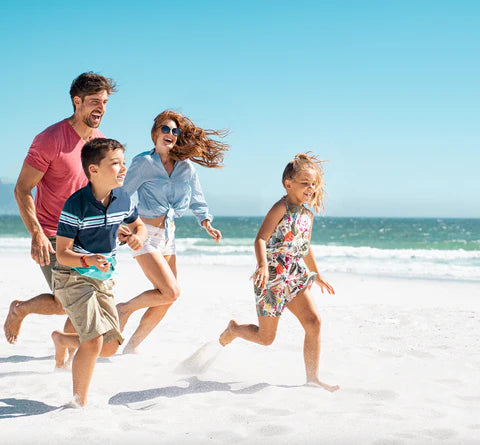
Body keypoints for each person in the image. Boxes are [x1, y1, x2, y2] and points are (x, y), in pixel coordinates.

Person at [4, 72, 116, 344]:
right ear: (77, 102)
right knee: (70, 301)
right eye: (93, 101)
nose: (100, 107)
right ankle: (20, 310)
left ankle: (63, 349)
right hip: (54, 233)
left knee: (77, 299)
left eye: (104, 101)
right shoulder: (50, 139)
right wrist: (37, 233)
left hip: (86, 235)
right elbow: (22, 189)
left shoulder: (99, 142)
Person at [219, 153, 340, 392]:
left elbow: (304, 247)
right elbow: (261, 239)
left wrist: (317, 274)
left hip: (295, 275)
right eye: (305, 182)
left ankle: (312, 378)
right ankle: (234, 329)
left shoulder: (307, 215)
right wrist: (263, 265)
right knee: (266, 339)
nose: (310, 188)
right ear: (289, 184)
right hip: (272, 277)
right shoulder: (280, 207)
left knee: (313, 322)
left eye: (313, 184)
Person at [116, 110, 229, 353]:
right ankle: (123, 309)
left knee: (169, 297)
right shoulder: (143, 163)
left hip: (168, 236)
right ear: (155, 132)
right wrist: (119, 224)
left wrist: (206, 223)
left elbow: (198, 200)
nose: (170, 134)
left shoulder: (186, 168)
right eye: (165, 129)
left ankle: (132, 347)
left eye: (175, 131)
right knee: (170, 290)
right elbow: (122, 194)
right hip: (144, 233)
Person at [51, 138, 146, 407]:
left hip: (103, 278)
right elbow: (62, 253)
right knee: (93, 341)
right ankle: (78, 403)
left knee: (110, 345)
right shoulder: (75, 205)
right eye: (115, 163)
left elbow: (139, 226)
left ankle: (62, 339)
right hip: (73, 275)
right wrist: (88, 259)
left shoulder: (123, 198)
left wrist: (139, 235)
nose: (123, 168)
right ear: (93, 170)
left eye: (123, 163)